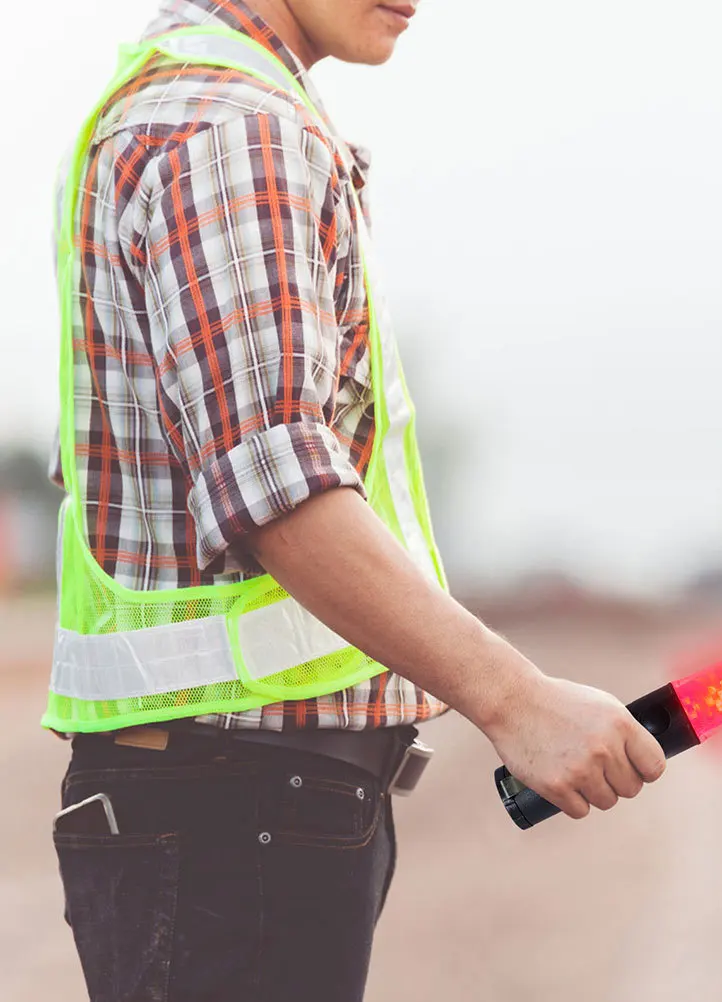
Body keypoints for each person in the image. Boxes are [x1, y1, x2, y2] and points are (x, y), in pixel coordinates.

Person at [46, 1, 667, 999]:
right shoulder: (232, 132)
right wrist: (516, 701)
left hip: (224, 802)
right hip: (234, 812)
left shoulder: (191, 105)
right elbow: (278, 491)